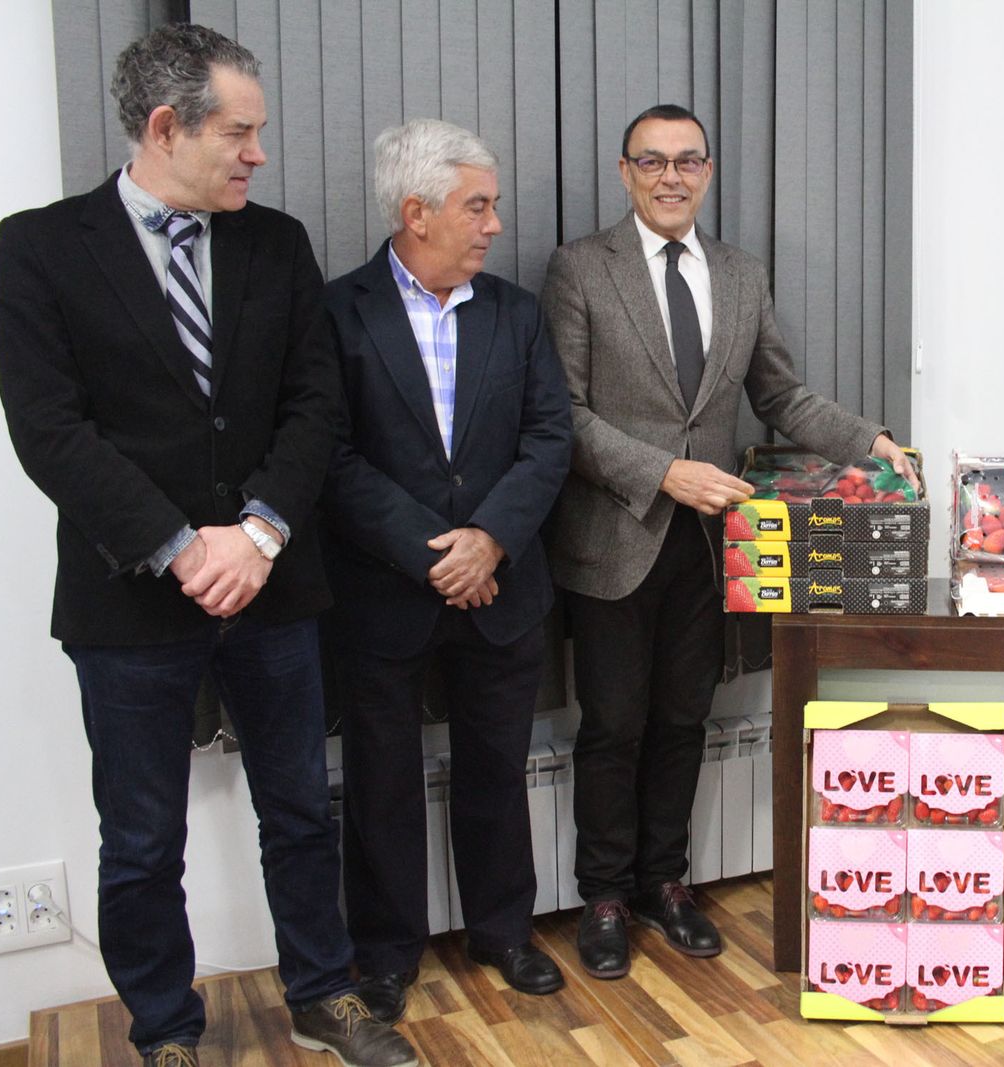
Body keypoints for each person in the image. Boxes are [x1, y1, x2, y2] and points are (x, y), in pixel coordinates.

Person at [0, 24, 417, 1067]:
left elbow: (315, 402)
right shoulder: (40, 246)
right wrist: (185, 549)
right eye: (240, 132)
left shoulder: (276, 242)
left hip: (273, 586)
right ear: (166, 125)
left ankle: (323, 992)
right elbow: (51, 432)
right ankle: (166, 1027)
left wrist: (259, 532)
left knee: (299, 811)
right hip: (129, 598)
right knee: (141, 842)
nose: (258, 154)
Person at [542, 103, 916, 979]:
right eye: (653, 161)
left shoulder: (741, 275)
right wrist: (661, 472)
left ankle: (663, 883)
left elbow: (781, 397)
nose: (671, 176)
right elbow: (562, 413)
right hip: (614, 534)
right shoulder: (578, 269)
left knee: (683, 718)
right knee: (612, 725)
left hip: (713, 547)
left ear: (708, 172)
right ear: (625, 171)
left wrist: (871, 443)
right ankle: (602, 894)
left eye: (688, 161)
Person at [322, 118, 572, 1023]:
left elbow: (550, 439)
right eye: (479, 205)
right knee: (382, 781)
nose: (495, 224)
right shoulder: (337, 311)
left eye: (493, 204)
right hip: (388, 590)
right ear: (416, 211)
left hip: (503, 585)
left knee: (496, 767)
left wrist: (490, 541)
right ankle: (384, 951)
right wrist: (439, 552)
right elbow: (333, 457)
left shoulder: (515, 311)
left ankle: (503, 930)